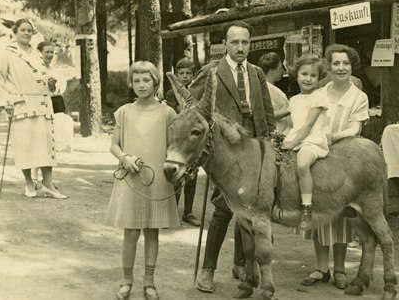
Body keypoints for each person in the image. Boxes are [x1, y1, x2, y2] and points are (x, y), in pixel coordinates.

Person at [191, 21, 275, 293]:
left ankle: (242, 264)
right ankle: (208, 269)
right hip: (225, 150)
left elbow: (267, 110)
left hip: (254, 148)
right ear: (224, 45)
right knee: (225, 207)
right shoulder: (211, 71)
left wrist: (269, 138)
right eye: (235, 42)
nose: (240, 47)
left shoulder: (257, 72)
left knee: (249, 209)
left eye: (245, 42)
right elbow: (192, 110)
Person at [105, 61, 180, 300]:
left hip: (157, 178)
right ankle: (126, 281)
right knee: (130, 232)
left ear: (155, 82)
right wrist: (125, 158)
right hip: (130, 178)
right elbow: (114, 145)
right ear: (131, 83)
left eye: (146, 80)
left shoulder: (167, 113)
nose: (141, 85)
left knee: (152, 231)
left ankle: (149, 282)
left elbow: (175, 146)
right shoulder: (124, 112)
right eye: (136, 80)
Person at [299, 44, 369, 290]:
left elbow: (356, 128)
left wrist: (334, 135)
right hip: (318, 154)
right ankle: (321, 268)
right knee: (319, 210)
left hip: (342, 158)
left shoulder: (358, 96)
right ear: (329, 67)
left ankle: (339, 269)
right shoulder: (321, 91)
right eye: (336, 63)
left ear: (352, 66)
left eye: (346, 63)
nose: (341, 68)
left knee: (340, 214)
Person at [0, 18, 67, 199]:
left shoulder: (36, 53)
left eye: (29, 31)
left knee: (46, 145)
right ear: (15, 33)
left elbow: (45, 75)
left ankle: (48, 185)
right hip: (22, 104)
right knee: (25, 144)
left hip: (43, 104)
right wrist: (4, 102)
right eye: (23, 30)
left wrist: (51, 84)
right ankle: (28, 183)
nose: (26, 33)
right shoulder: (8, 53)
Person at [281, 54, 329, 230]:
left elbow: (308, 126)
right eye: (304, 74)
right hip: (297, 139)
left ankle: (307, 209)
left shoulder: (319, 96)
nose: (308, 79)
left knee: (302, 164)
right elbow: (291, 122)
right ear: (296, 75)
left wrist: (290, 144)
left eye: (313, 75)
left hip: (312, 141)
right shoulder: (294, 100)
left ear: (318, 78)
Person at [165, 57, 200, 227]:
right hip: (179, 137)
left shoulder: (196, 92)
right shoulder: (172, 92)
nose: (185, 76)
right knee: (177, 175)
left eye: (188, 73)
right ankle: (173, 212)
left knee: (191, 176)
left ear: (193, 75)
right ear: (177, 75)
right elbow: (174, 111)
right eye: (181, 74)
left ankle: (188, 212)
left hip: (192, 139)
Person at [31, 41, 67, 187]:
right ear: (39, 53)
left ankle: (47, 181)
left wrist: (54, 86)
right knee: (38, 141)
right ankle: (34, 177)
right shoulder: (34, 70)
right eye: (47, 52)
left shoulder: (56, 71)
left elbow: (60, 89)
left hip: (54, 106)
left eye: (52, 52)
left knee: (50, 143)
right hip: (39, 107)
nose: (50, 55)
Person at [257, 52, 292, 135]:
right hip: (278, 133)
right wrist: (291, 109)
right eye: (280, 68)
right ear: (272, 71)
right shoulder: (267, 89)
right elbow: (269, 114)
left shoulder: (269, 87)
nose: (282, 71)